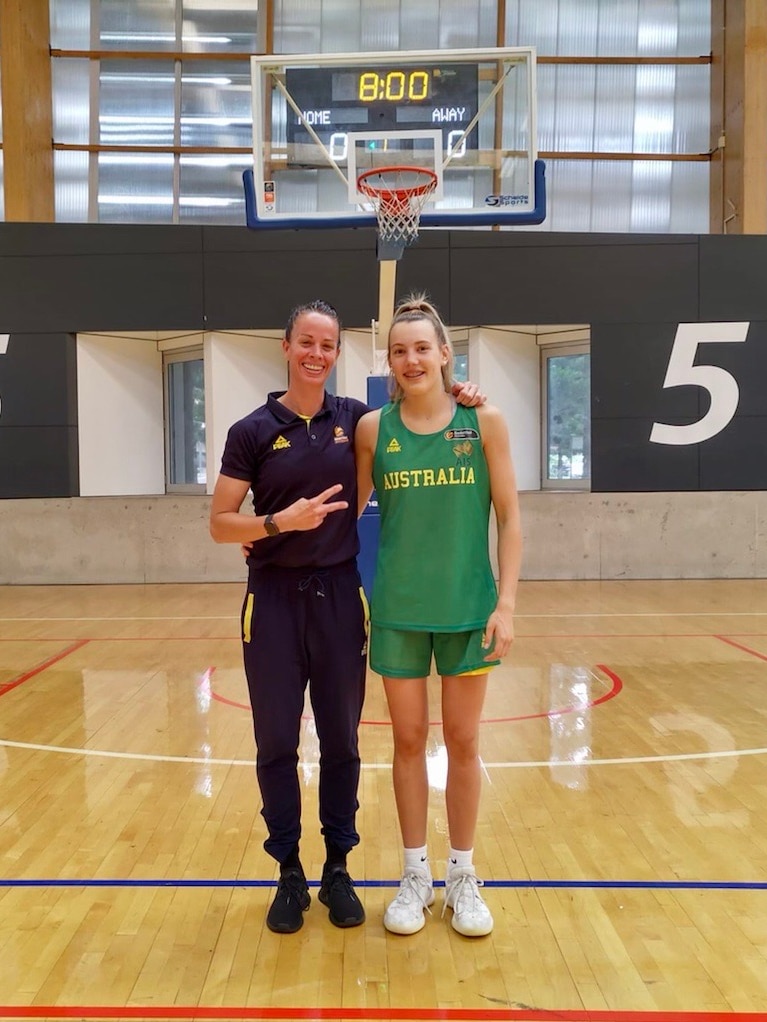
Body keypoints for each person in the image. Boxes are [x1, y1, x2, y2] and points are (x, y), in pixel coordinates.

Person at [209, 298, 483, 935]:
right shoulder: (251, 431)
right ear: (286, 347)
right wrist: (276, 522)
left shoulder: (359, 422)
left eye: (327, 345)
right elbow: (221, 523)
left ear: (338, 355)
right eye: (305, 341)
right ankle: (288, 873)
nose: (316, 353)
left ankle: (337, 868)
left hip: (338, 600)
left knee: (343, 742)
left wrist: (463, 388)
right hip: (272, 602)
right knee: (276, 742)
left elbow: (424, 412)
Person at [354, 293, 522, 938]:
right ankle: (414, 874)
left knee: (465, 741)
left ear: (446, 354)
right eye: (399, 350)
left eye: (423, 347)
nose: (411, 359)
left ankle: (463, 875)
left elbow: (509, 518)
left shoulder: (483, 423)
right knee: (404, 742)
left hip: (468, 610)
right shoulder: (374, 430)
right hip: (397, 609)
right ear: (389, 362)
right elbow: (344, 512)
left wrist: (506, 604)